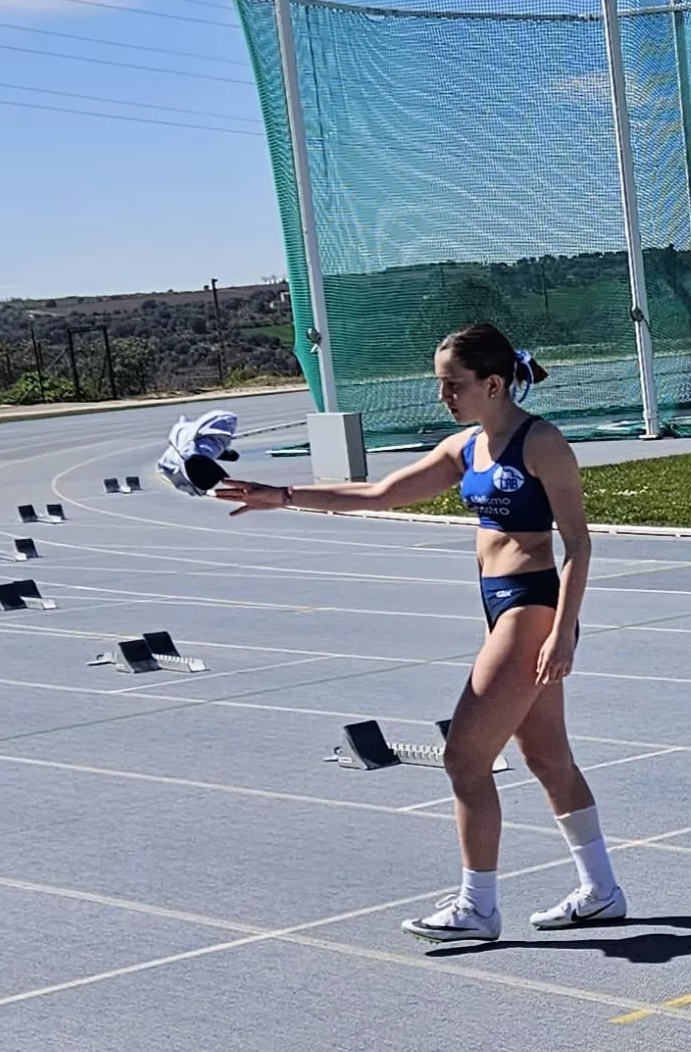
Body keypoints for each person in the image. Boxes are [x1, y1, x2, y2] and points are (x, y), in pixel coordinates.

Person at [214, 323, 625, 943]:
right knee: (546, 757)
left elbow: (579, 543)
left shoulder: (542, 443)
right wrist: (284, 494)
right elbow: (379, 494)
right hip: (499, 604)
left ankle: (478, 905)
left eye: (452, 384)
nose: (444, 397)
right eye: (441, 385)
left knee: (464, 757)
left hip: (532, 608)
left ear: (493, 383)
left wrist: (563, 631)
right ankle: (601, 891)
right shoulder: (465, 448)